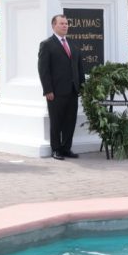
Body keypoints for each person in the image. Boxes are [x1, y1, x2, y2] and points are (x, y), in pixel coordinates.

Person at [38, 14, 85, 160]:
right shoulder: (47, 44)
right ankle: (56, 149)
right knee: (56, 122)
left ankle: (66, 148)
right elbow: (43, 69)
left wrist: (82, 86)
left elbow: (79, 67)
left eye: (66, 23)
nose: (65, 26)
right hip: (56, 92)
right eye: (62, 23)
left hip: (73, 90)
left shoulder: (73, 44)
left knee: (70, 122)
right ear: (54, 26)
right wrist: (48, 89)